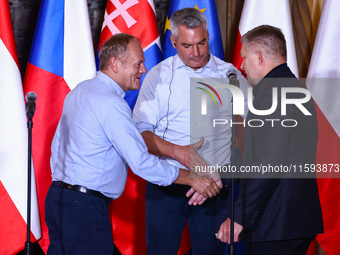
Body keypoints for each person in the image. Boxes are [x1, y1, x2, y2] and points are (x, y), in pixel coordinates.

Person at [45, 33, 221, 255]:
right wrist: (192, 179)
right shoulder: (111, 103)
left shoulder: (80, 90)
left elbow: (57, 147)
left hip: (58, 199)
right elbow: (141, 162)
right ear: (115, 64)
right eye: (138, 63)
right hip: (84, 207)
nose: (143, 70)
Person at [132, 8, 249, 255]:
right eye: (187, 45)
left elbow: (256, 133)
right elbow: (140, 134)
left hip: (215, 187)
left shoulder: (230, 75)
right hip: (168, 183)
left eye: (202, 43)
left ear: (208, 35)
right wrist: (178, 153)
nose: (196, 52)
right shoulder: (158, 76)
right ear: (173, 42)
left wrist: (219, 175)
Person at [217, 25, 324, 255]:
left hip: (278, 222)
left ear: (259, 56)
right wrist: (220, 177)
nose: (242, 66)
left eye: (244, 58)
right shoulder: (293, 88)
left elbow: (267, 163)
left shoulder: (273, 94)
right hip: (292, 219)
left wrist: (239, 217)